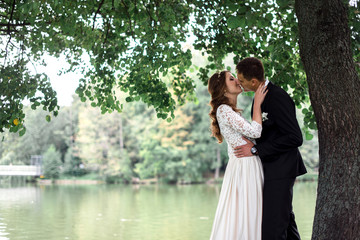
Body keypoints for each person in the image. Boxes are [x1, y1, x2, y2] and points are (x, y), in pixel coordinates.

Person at [234, 57, 307, 240]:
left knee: (272, 227)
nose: (238, 83)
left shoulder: (276, 96)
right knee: (285, 221)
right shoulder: (261, 96)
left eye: (241, 80)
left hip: (282, 168)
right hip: (271, 168)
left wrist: (257, 150)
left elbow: (295, 137)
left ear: (253, 81)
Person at [208, 70, 268, 240]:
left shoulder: (231, 112)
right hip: (245, 168)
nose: (237, 81)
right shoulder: (224, 110)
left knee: (248, 214)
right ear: (223, 89)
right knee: (247, 214)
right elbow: (255, 132)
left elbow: (237, 144)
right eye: (231, 79)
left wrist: (251, 147)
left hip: (243, 167)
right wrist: (257, 104)